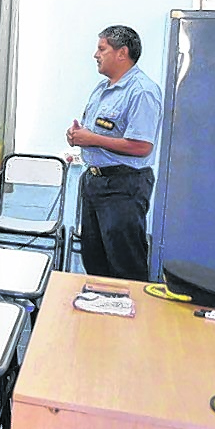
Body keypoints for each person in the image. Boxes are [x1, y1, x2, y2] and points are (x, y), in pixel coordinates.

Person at [66, 25, 162, 281]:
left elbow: (142, 146)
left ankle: (132, 319)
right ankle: (102, 315)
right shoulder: (102, 88)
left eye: (101, 49)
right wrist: (78, 136)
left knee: (125, 263)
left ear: (122, 53)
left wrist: (92, 138)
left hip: (124, 186)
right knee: (95, 259)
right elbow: (98, 133)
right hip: (95, 182)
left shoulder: (141, 91)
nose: (95, 55)